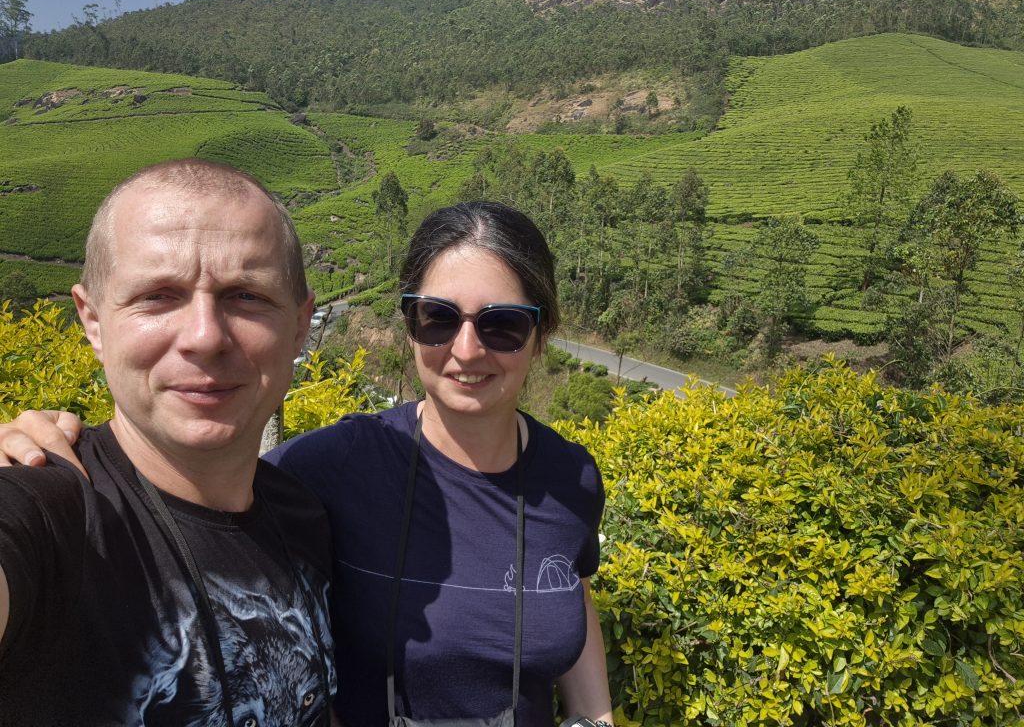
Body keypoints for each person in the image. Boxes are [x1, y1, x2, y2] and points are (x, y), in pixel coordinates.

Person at [1, 201, 613, 726]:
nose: (467, 349)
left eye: (503, 324)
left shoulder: (572, 478)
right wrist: (35, 447)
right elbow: (198, 495)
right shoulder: (331, 466)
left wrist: (595, 718)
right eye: (438, 318)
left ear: (542, 333)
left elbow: (568, 589)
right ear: (409, 326)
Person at [0, 159, 336, 726]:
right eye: (158, 296)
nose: (205, 337)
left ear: (300, 325)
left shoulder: (305, 517)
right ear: (93, 321)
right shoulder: (51, 512)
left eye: (246, 295)